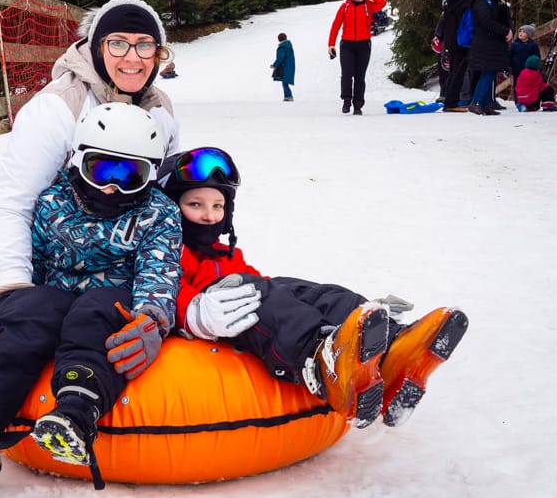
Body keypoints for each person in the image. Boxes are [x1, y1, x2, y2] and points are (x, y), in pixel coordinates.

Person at [0, 0, 179, 421]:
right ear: (95, 45)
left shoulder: (158, 107)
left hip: (80, 233)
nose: (132, 57)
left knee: (84, 324)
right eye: (118, 43)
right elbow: (13, 203)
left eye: (145, 45)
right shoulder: (59, 104)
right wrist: (13, 290)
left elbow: (157, 191)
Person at [0, 103, 182, 487]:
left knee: (94, 309)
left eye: (130, 175)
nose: (114, 186)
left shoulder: (158, 213)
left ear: (150, 174)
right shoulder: (53, 202)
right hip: (56, 297)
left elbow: (160, 270)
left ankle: (76, 412)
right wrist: (14, 313)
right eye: (103, 169)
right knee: (28, 309)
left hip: (113, 301)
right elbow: (34, 260)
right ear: (78, 160)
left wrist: (152, 317)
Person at [158, 147, 469, 429]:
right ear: (171, 208)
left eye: (218, 205)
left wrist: (286, 294)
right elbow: (160, 291)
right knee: (261, 294)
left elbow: (269, 289)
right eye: (195, 204)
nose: (209, 215)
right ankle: (320, 359)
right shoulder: (164, 253)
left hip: (237, 303)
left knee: (302, 290)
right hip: (211, 320)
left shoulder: (226, 254)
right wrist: (192, 310)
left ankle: (393, 346)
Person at [327, 0, 388, 115]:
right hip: (347, 45)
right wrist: (331, 44)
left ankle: (358, 105)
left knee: (360, 76)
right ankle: (346, 101)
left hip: (363, 45)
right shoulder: (345, 6)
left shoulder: (369, 6)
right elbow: (336, 25)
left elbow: (383, 2)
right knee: (347, 74)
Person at [467, 0, 513, 116]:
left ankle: (486, 104)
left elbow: (507, 18)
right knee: (487, 73)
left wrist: (510, 29)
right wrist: (504, 31)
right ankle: (476, 102)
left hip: (495, 42)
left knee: (491, 73)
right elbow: (486, 21)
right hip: (484, 42)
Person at [440, 0, 478, 112]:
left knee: (453, 72)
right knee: (458, 73)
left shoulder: (450, 3)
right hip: (462, 42)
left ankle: (449, 99)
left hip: (450, 41)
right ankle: (451, 102)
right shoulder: (467, 4)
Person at [508, 24, 540, 101]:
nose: (521, 33)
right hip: (517, 69)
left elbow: (536, 57)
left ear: (529, 34)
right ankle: (517, 100)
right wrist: (508, 66)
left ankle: (528, 99)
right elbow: (509, 56)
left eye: (524, 32)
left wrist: (536, 67)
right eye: (520, 31)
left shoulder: (533, 45)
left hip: (528, 70)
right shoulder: (514, 44)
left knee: (528, 85)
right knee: (517, 84)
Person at [270, 32, 296, 102]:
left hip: (284, 66)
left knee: (284, 82)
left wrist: (274, 65)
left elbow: (280, 58)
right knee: (285, 81)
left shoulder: (282, 47)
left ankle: (289, 96)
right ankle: (287, 96)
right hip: (290, 66)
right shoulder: (289, 45)